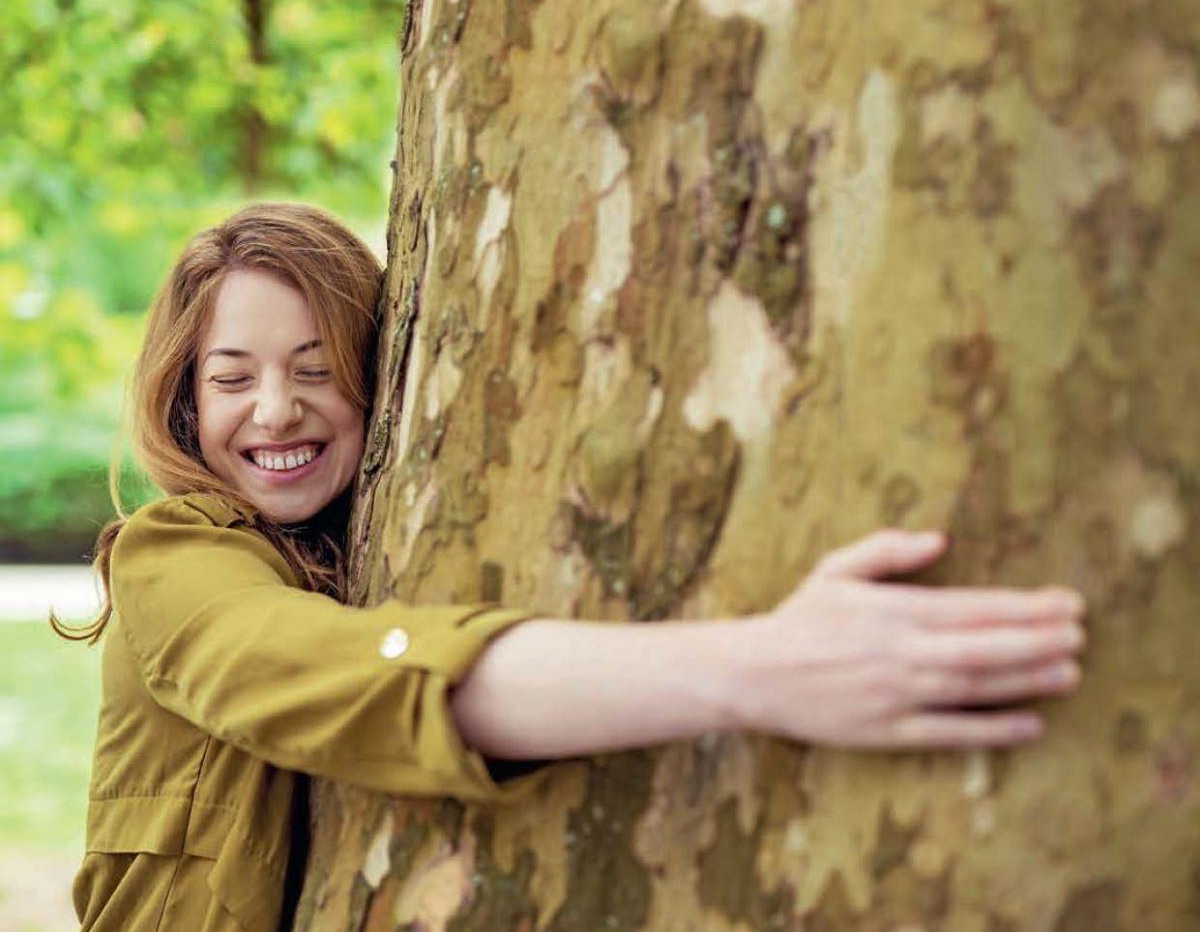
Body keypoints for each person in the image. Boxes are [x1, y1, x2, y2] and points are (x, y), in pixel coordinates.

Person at [57, 201, 1087, 931]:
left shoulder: (373, 545)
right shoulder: (171, 558)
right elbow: (317, 667)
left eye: (319, 370)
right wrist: (768, 667)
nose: (276, 409)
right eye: (233, 378)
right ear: (186, 401)